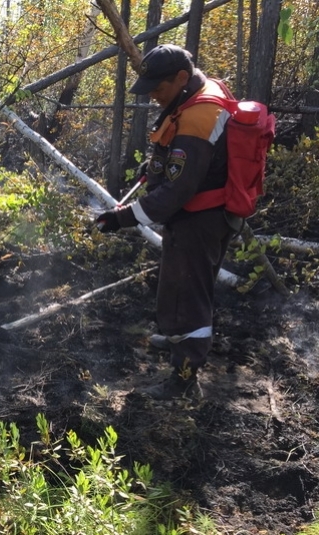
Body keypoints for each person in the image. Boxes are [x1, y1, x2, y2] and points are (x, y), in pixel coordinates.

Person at [95, 44, 242, 400]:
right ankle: (180, 341)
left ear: (180, 77)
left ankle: (183, 378)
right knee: (186, 290)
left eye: (158, 89)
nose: (155, 97)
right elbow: (189, 158)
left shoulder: (198, 116)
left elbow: (176, 193)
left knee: (185, 297)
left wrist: (122, 219)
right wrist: (156, 166)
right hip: (208, 214)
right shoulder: (202, 91)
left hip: (198, 219)